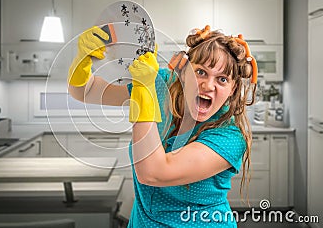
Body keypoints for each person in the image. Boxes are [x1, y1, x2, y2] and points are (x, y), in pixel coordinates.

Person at [68, 24, 258, 227]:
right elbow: (86, 92)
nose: (208, 85)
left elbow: (153, 172)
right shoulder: (160, 85)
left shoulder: (230, 137)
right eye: (201, 72)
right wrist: (82, 60)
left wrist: (143, 92)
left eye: (222, 79)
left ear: (233, 88)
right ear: (184, 72)